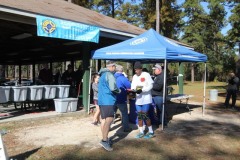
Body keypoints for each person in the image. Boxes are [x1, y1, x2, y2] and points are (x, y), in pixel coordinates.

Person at [98, 61, 120, 151]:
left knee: (104, 120)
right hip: (108, 101)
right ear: (112, 66)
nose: (115, 69)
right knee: (109, 119)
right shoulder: (109, 75)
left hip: (102, 100)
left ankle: (105, 139)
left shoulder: (102, 74)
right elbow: (113, 88)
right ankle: (104, 140)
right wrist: (119, 91)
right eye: (115, 67)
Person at [131, 61, 154, 139]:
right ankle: (141, 132)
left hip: (146, 99)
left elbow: (151, 85)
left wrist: (143, 90)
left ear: (141, 69)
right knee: (139, 115)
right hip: (138, 99)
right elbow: (133, 86)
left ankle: (151, 131)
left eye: (137, 69)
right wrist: (133, 90)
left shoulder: (146, 75)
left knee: (145, 115)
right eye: (135, 70)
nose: (136, 71)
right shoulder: (134, 76)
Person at [114, 65, 132, 132]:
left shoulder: (112, 76)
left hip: (112, 98)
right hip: (121, 98)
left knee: (112, 113)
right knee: (124, 113)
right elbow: (129, 86)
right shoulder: (123, 78)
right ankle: (126, 128)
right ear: (122, 71)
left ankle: (108, 127)